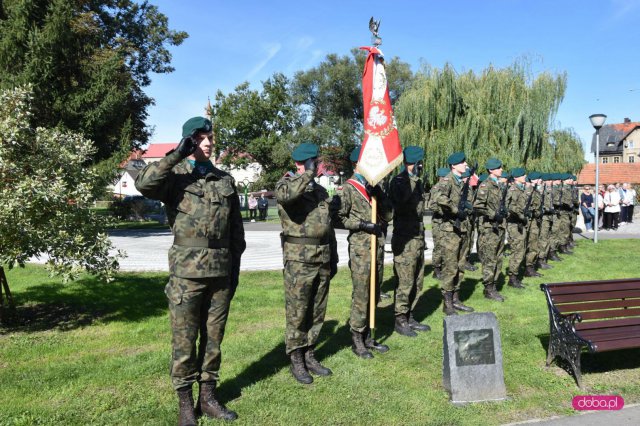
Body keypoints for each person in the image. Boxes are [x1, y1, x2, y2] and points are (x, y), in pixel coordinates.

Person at [135, 116, 246, 423]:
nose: (209, 142)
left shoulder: (224, 179)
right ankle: (186, 404)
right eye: (201, 137)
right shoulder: (174, 177)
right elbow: (144, 183)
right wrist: (175, 155)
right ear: (189, 141)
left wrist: (233, 271)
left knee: (213, 341)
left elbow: (236, 232)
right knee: (184, 342)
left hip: (220, 273)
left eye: (210, 137)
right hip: (186, 275)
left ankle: (208, 398)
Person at [275, 142, 338, 384]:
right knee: (298, 312)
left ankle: (310, 352)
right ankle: (296, 358)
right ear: (299, 163)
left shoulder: (320, 192)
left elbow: (327, 224)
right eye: (312, 162)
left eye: (316, 162)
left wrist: (333, 254)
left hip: (321, 255)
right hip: (299, 259)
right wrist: (308, 174)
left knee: (317, 310)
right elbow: (287, 197)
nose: (316, 166)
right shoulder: (285, 184)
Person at [335, 146, 392, 358]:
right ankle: (357, 337)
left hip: (377, 246)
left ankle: (369, 334)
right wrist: (362, 225)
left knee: (375, 291)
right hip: (361, 248)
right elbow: (337, 218)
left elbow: (388, 215)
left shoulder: (373, 187)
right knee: (361, 293)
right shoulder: (348, 189)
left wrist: (380, 195)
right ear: (357, 164)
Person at [389, 146, 431, 337]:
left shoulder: (417, 181)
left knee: (417, 280)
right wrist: (412, 178)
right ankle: (400, 319)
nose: (422, 165)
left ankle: (410, 314)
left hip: (417, 238)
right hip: (405, 239)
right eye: (420, 162)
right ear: (415, 162)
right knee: (405, 282)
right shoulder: (398, 181)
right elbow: (402, 203)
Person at [434, 152, 475, 315]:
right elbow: (440, 199)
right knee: (450, 267)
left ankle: (456, 299)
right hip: (450, 231)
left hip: (463, 229)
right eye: (463, 163)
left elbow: (468, 200)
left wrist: (468, 207)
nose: (465, 165)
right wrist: (456, 210)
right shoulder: (447, 180)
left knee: (460, 266)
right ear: (454, 166)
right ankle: (447, 303)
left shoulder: (462, 182)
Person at [474, 159, 508, 301]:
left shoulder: (498, 185)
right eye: (499, 168)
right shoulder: (485, 185)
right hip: (489, 229)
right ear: (492, 170)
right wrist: (493, 214)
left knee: (498, 258)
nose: (501, 170)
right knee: (490, 259)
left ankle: (493, 285)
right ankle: (489, 289)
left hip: (499, 227)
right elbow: (478, 205)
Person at [505, 168, 528, 288]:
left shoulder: (522, 189)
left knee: (520, 251)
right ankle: (512, 278)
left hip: (521, 223)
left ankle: (515, 275)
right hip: (514, 224)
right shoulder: (513, 190)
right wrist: (521, 215)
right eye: (523, 175)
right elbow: (510, 207)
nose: (525, 176)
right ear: (517, 177)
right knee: (517, 251)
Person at [428, 167, 451, 280]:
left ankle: (444, 267)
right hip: (438, 221)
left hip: (446, 221)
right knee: (438, 245)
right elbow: (432, 205)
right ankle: (436, 269)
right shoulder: (437, 188)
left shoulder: (445, 187)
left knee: (446, 245)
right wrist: (444, 212)